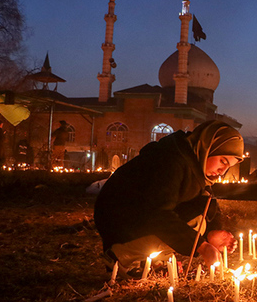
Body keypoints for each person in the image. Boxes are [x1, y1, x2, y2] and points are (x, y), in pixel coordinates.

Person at [94, 120, 244, 279]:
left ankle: (153, 260)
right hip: (119, 218)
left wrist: (212, 232)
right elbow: (157, 213)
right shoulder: (171, 160)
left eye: (228, 167)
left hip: (141, 217)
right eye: (222, 161)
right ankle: (121, 256)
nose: (222, 171)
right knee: (194, 223)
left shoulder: (195, 165)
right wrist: (202, 246)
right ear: (208, 147)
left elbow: (206, 202)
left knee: (199, 221)